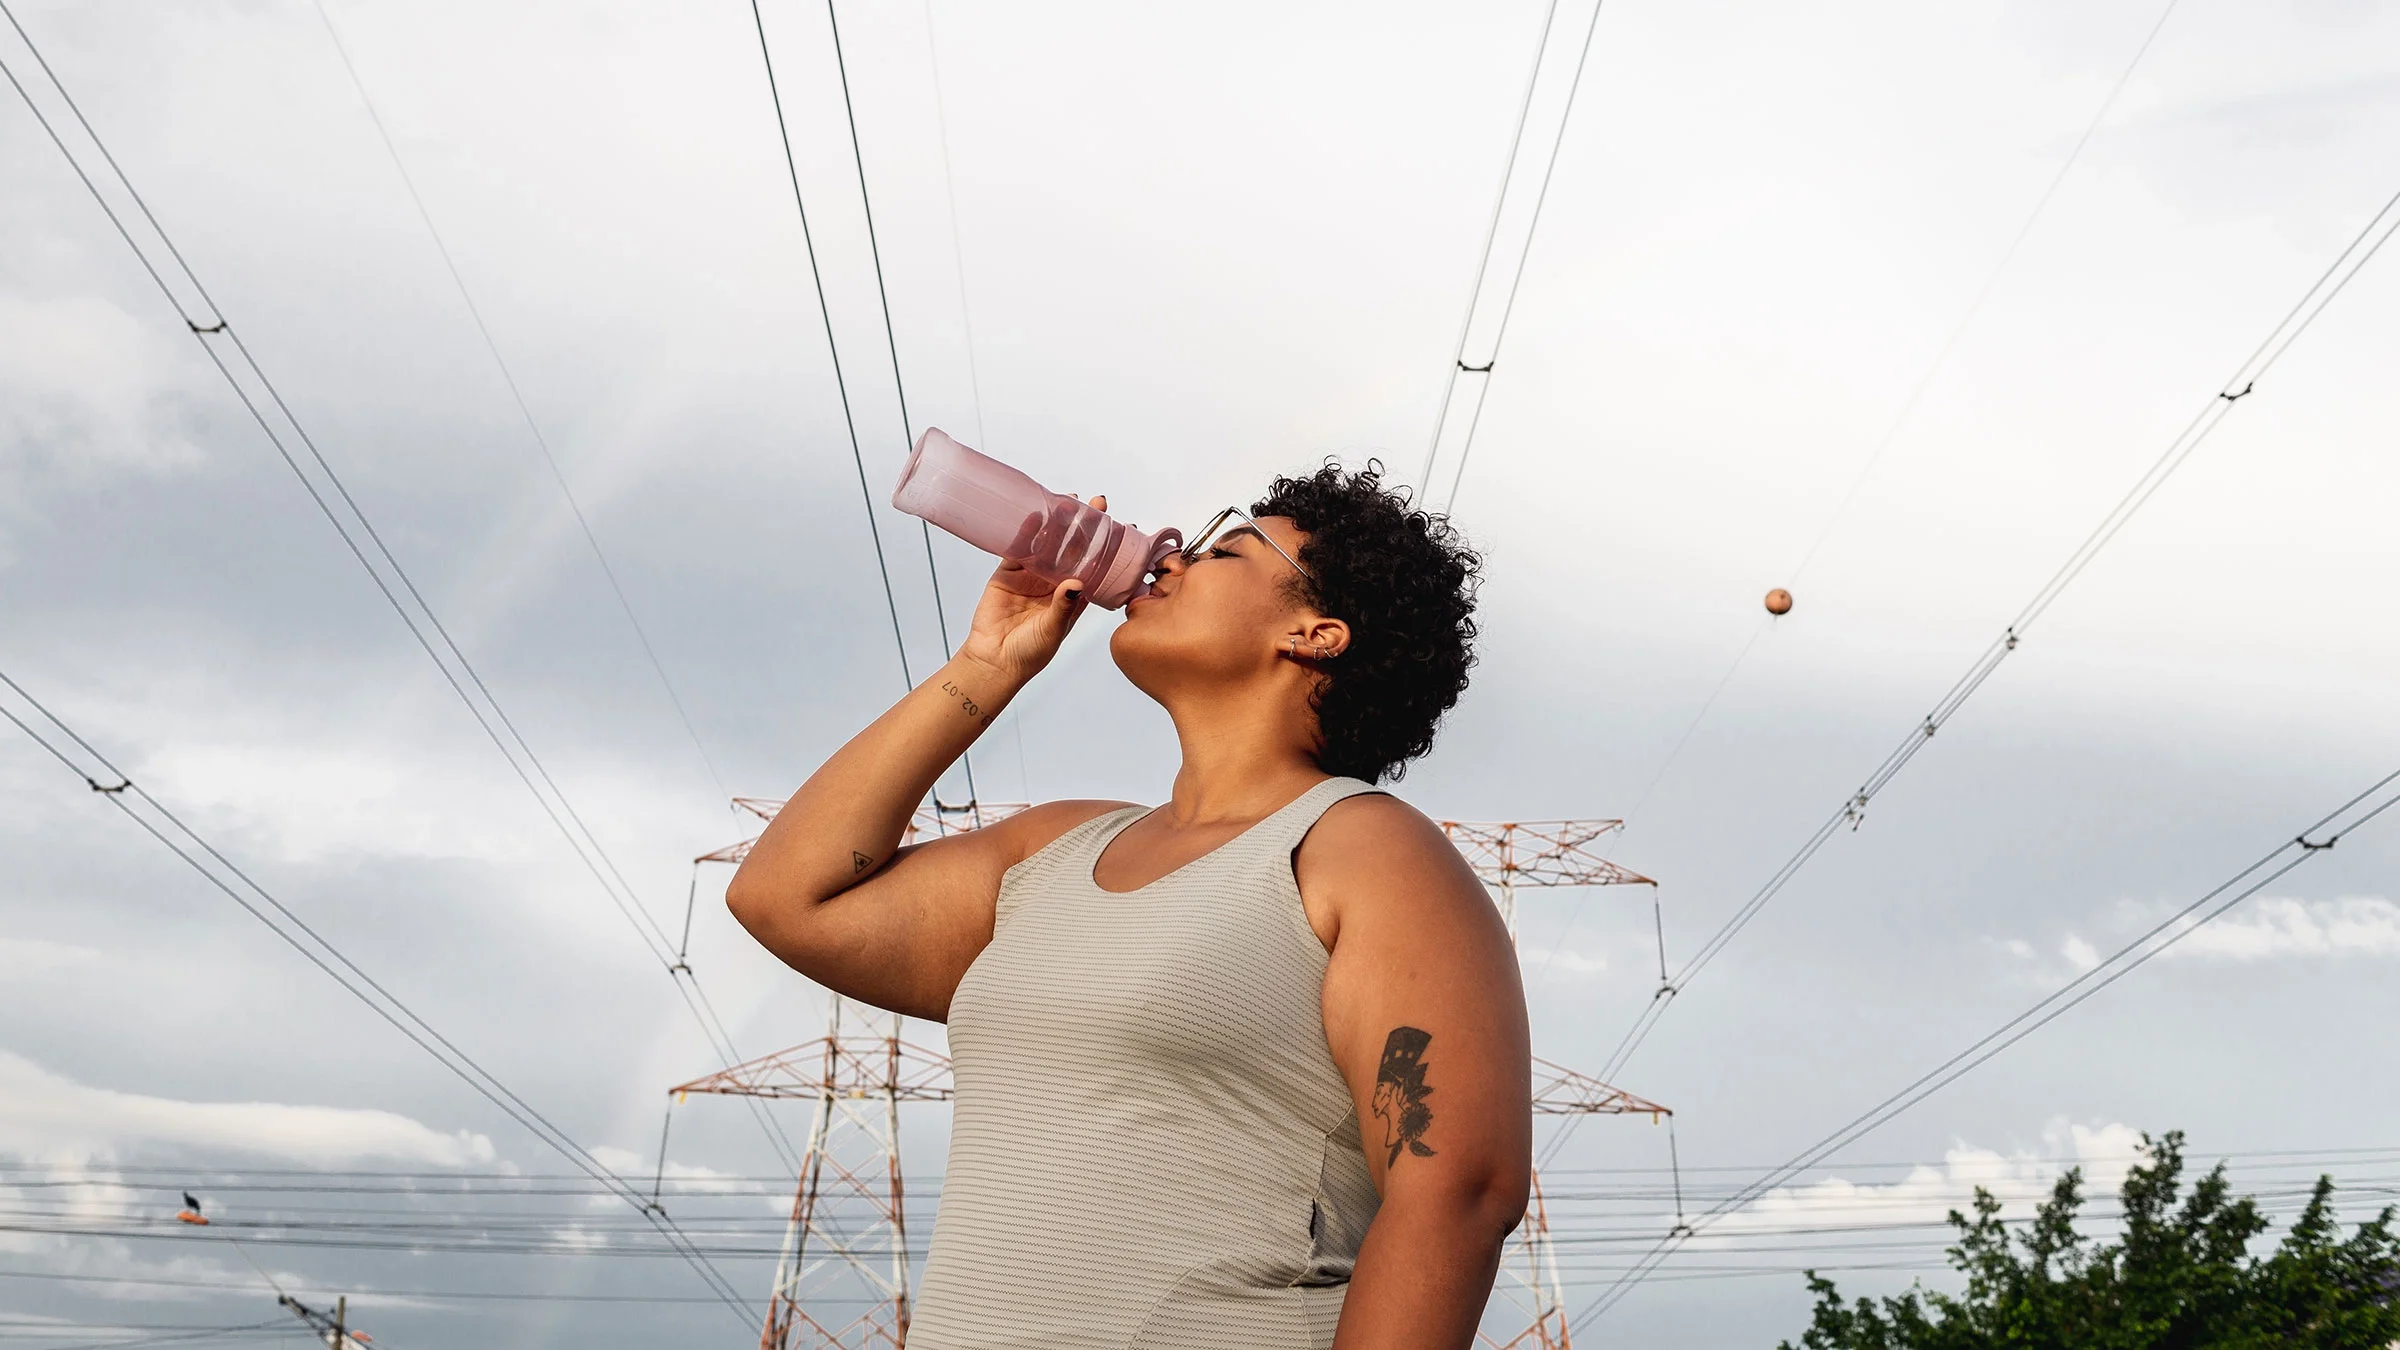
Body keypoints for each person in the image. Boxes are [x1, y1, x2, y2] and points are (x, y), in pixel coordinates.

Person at [728, 462, 1530, 1349]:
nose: (1171, 559)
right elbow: (783, 899)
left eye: (1226, 550)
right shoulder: (1052, 850)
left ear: (1316, 633)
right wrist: (987, 667)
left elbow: (1458, 1191)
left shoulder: (1367, 851)